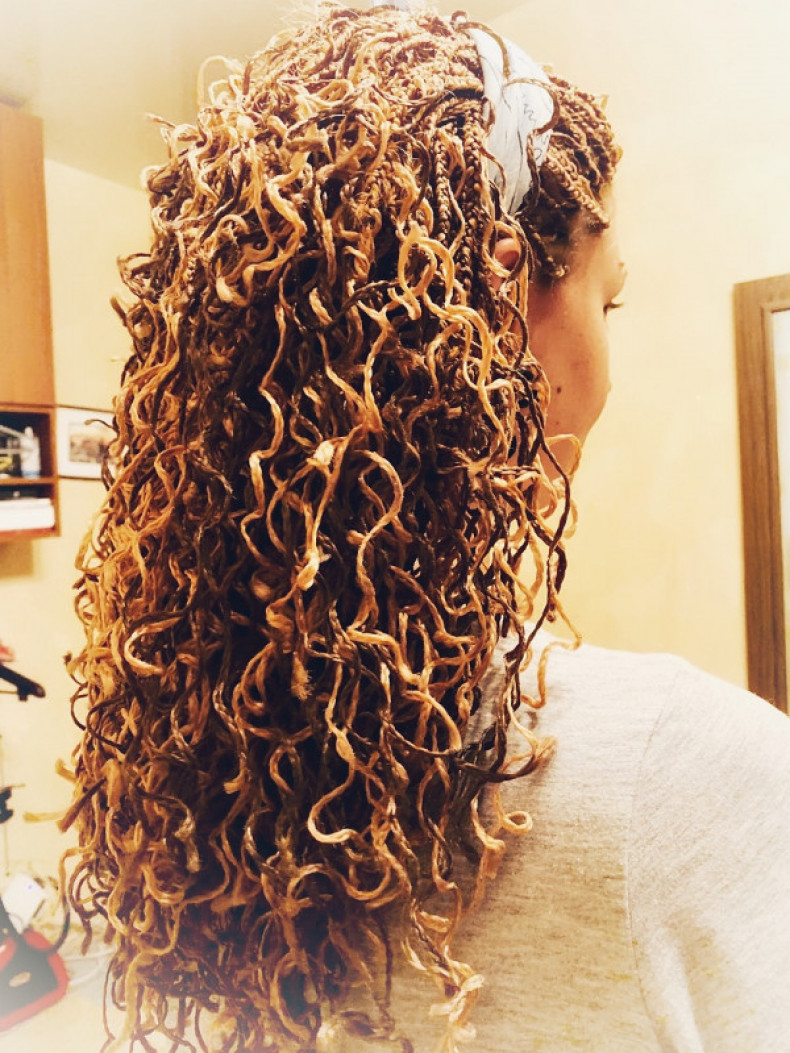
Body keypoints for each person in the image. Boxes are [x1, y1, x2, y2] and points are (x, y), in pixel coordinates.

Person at [60, 4, 790, 1051]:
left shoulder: (194, 781)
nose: (607, 369)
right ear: (502, 297)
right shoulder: (686, 777)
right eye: (608, 304)